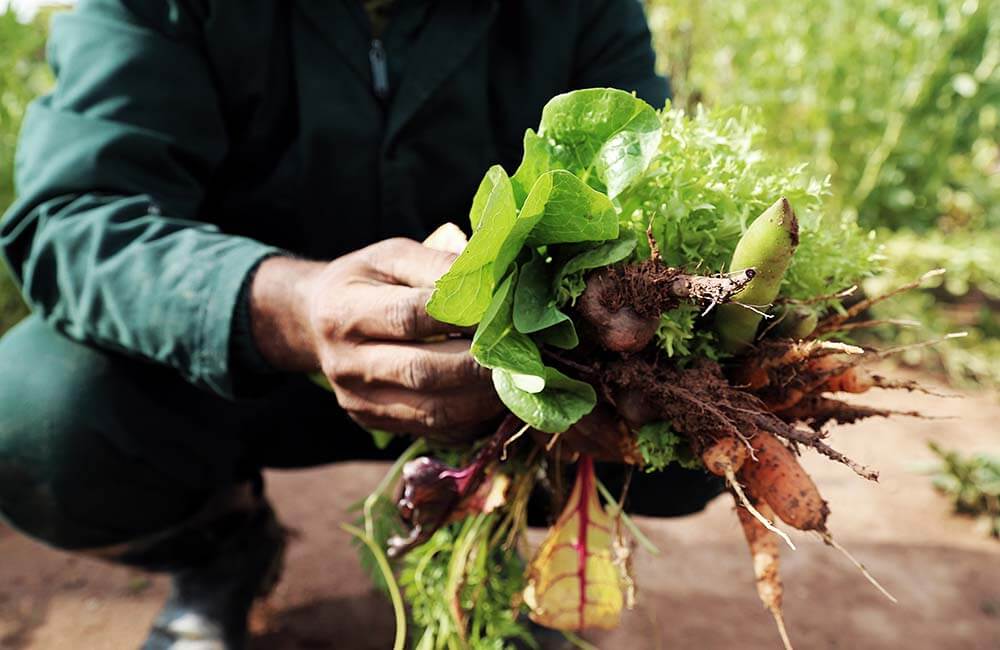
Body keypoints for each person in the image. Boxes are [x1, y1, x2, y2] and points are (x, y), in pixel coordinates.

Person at [0, 1, 722, 647]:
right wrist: (288, 307)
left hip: (498, 386)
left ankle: (488, 535)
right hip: (246, 374)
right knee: (39, 415)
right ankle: (222, 549)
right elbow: (73, 215)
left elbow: (647, 188)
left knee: (705, 408)